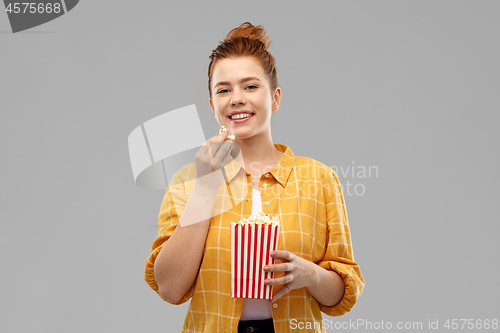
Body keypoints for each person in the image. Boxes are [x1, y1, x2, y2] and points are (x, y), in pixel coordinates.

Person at [145, 22, 364, 333]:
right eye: (223, 90)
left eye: (250, 86)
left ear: (275, 98)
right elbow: (170, 288)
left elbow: (344, 294)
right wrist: (206, 187)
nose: (236, 98)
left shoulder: (319, 179)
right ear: (212, 106)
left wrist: (309, 275)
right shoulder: (187, 181)